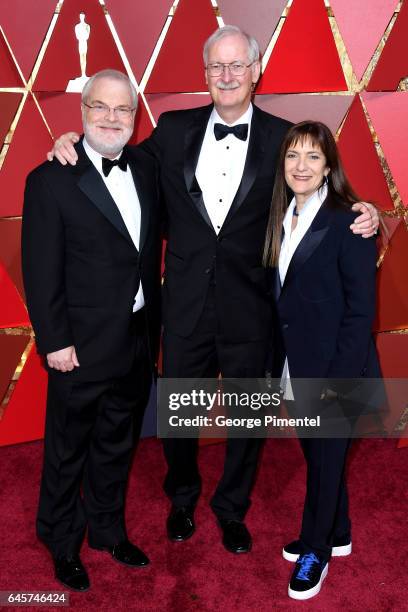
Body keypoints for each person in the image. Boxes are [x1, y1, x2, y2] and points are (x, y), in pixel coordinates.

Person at [48, 25, 379, 555]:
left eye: (236, 66)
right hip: (182, 303)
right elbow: (115, 160)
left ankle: (231, 508)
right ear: (205, 75)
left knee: (248, 416)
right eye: (215, 68)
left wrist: (364, 210)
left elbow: (318, 183)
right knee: (181, 411)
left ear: (255, 73)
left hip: (253, 307)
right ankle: (182, 497)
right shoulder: (172, 130)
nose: (226, 76)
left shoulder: (281, 136)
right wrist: (70, 139)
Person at [22, 69, 161, 591]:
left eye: (122, 109)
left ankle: (106, 529)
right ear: (82, 112)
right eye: (99, 107)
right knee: (67, 450)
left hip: (136, 338)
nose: (111, 118)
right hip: (77, 347)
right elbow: (41, 269)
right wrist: (54, 340)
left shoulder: (146, 166)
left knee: (116, 444)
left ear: (135, 116)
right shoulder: (50, 179)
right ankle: (60, 540)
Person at [263, 121, 382, 600]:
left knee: (324, 462)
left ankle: (316, 551)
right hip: (296, 365)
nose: (301, 166)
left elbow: (360, 312)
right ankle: (339, 530)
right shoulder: (281, 217)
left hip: (336, 369)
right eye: (293, 156)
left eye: (313, 156)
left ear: (328, 166)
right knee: (319, 456)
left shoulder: (348, 220)